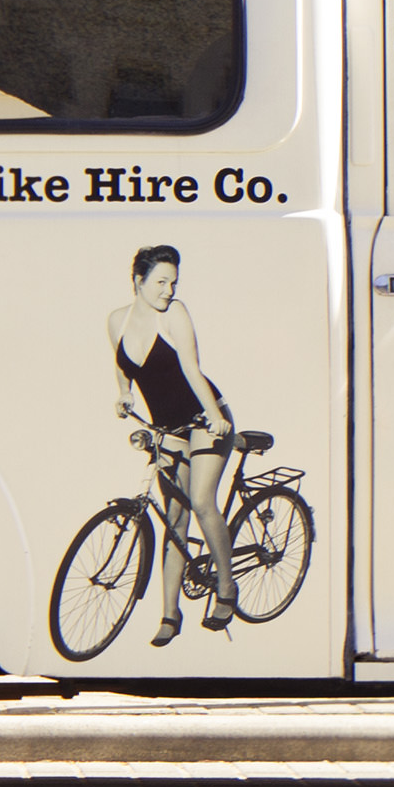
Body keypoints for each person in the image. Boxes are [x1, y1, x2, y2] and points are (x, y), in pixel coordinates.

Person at [106, 242, 233, 646]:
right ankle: (169, 613)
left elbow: (193, 370)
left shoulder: (175, 314)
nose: (168, 290)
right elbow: (123, 366)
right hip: (166, 427)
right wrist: (123, 393)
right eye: (160, 281)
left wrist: (215, 416)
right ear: (138, 281)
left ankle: (227, 588)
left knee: (200, 500)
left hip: (203, 417)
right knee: (174, 520)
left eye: (173, 282)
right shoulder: (116, 321)